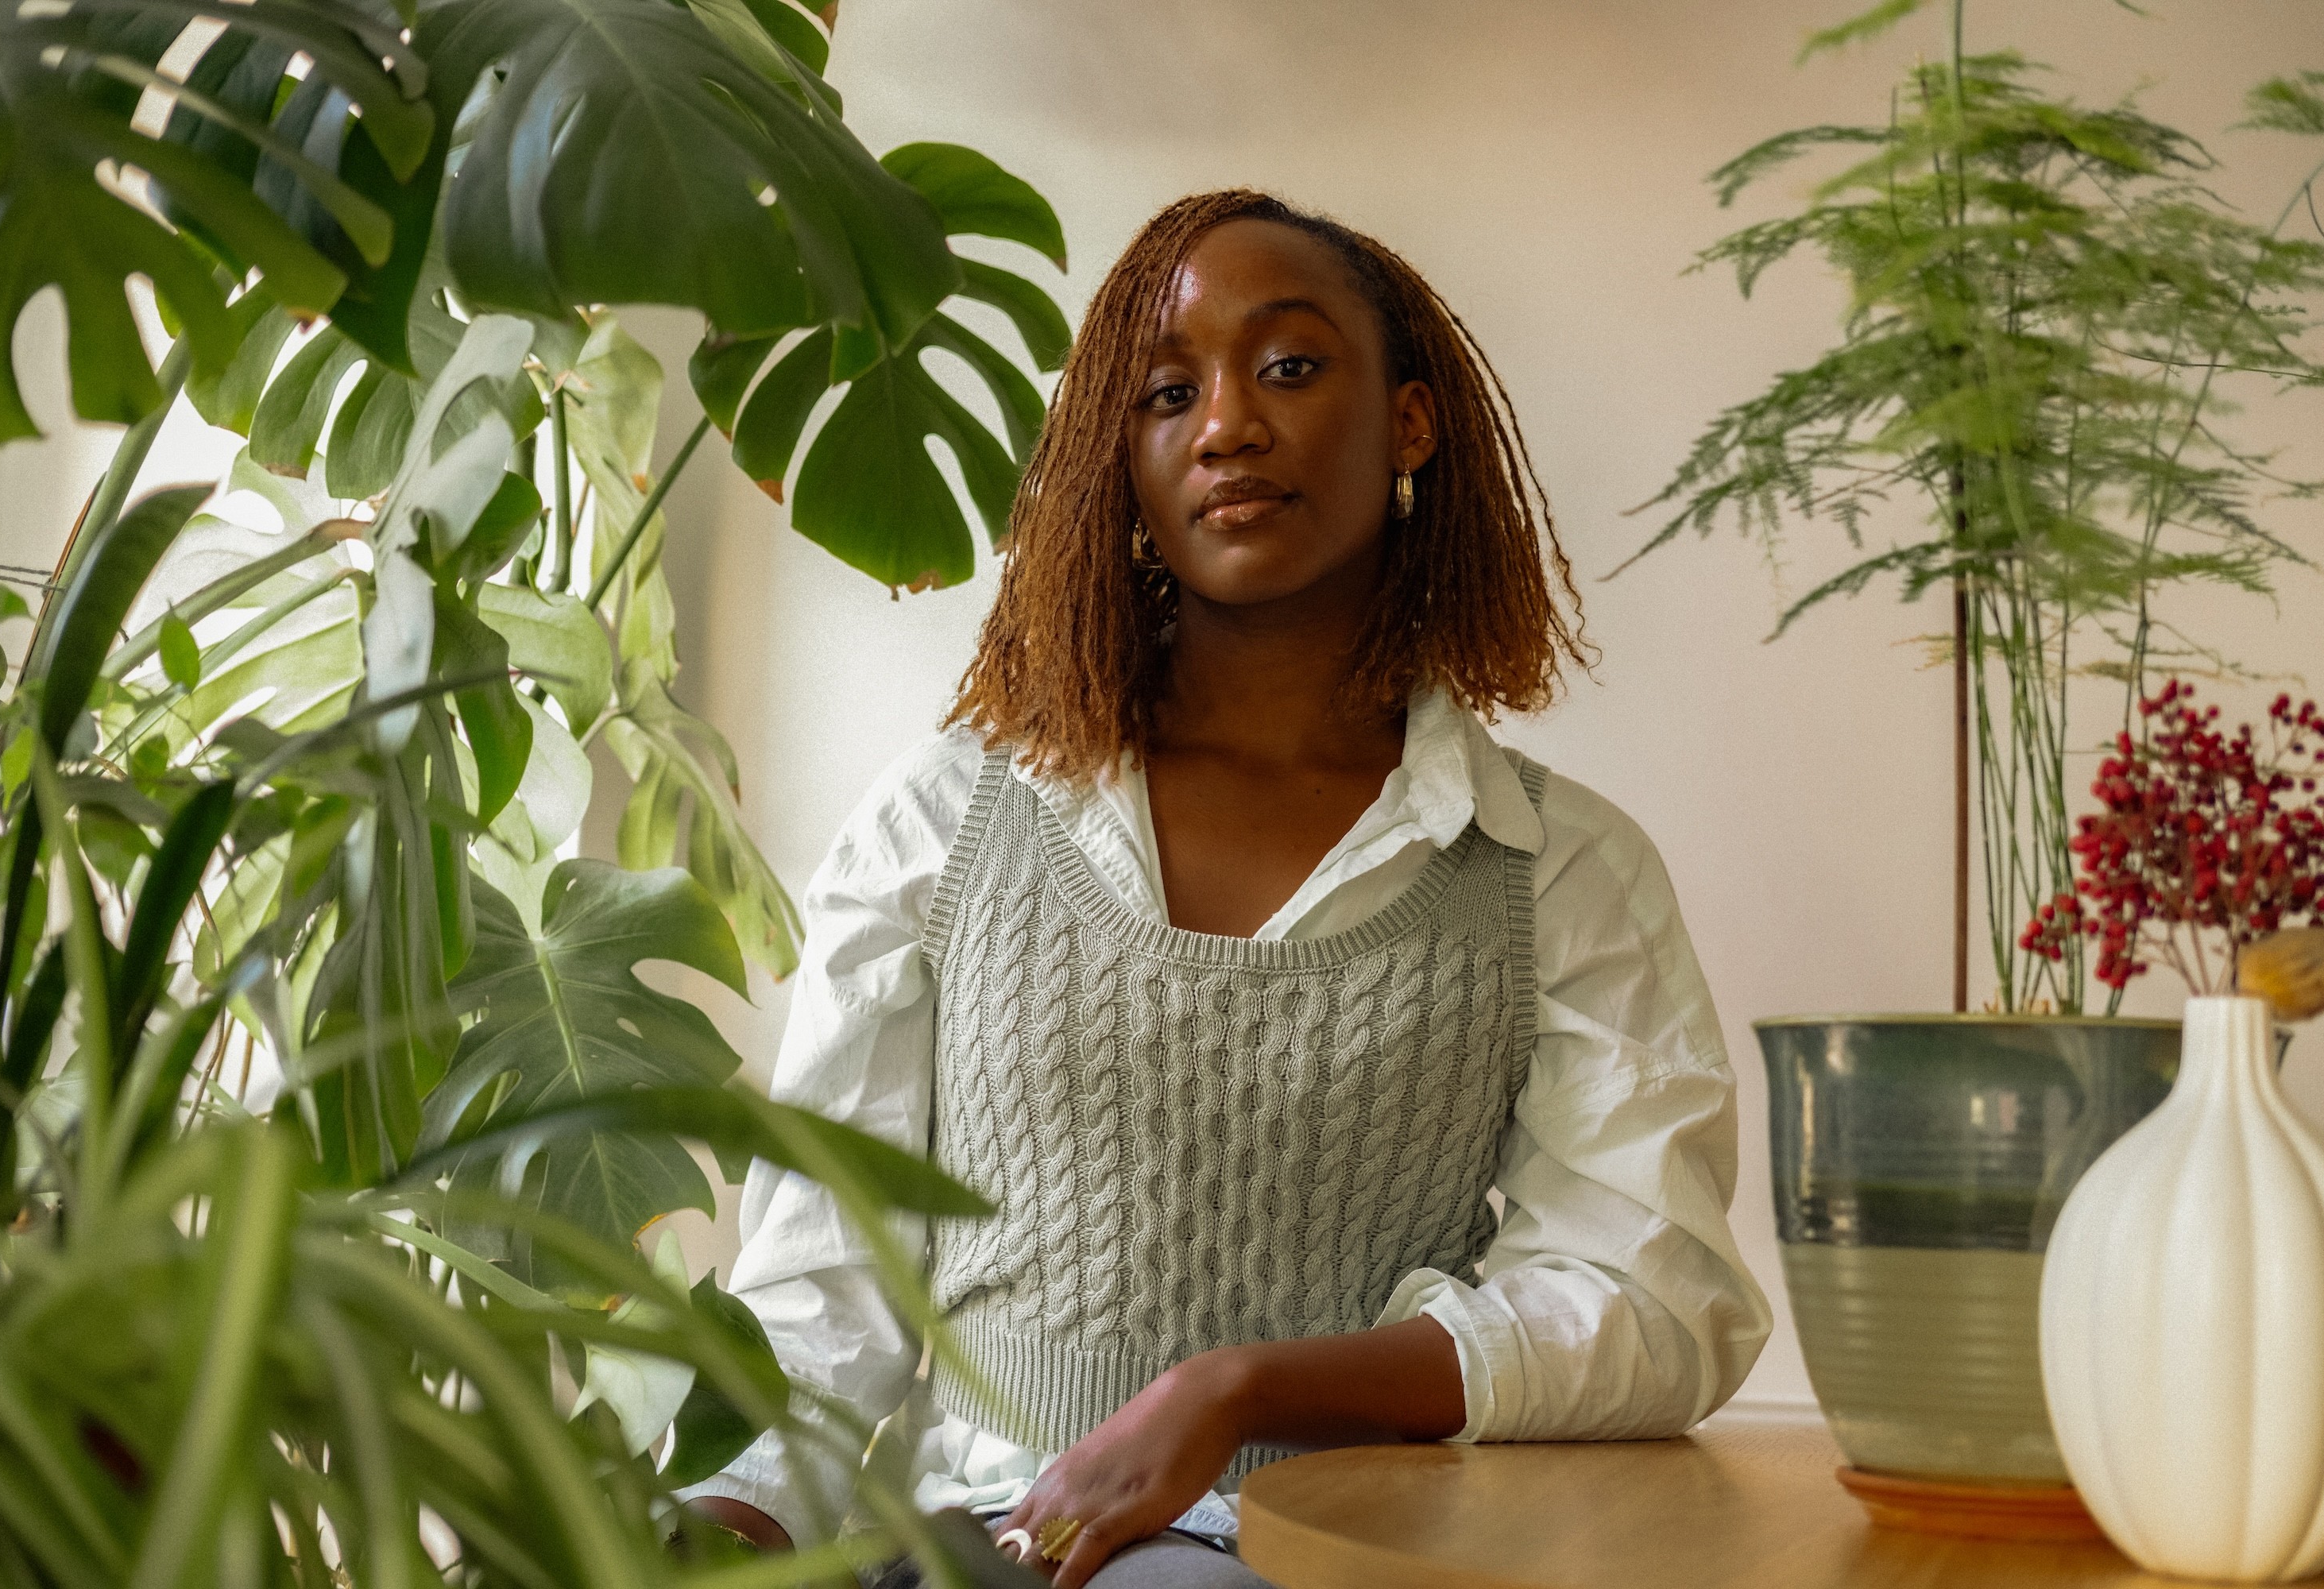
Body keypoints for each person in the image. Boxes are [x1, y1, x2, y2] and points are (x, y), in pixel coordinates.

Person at [680, 189, 1771, 1587]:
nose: (1227, 426)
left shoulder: (1552, 869)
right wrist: (703, 1530)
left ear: (1414, 424)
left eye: (1292, 367)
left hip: (1352, 1556)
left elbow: (1650, 1301)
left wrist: (1242, 1389)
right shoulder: (947, 825)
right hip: (992, 1548)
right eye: (1164, 391)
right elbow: (826, 1294)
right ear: (1118, 458)